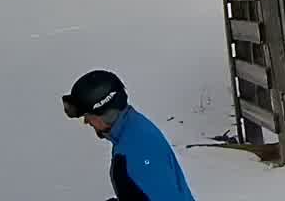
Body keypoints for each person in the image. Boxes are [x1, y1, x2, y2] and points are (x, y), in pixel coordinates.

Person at [63, 69, 197, 201]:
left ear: (106, 114)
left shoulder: (137, 151)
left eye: (88, 116)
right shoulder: (132, 129)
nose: (86, 121)